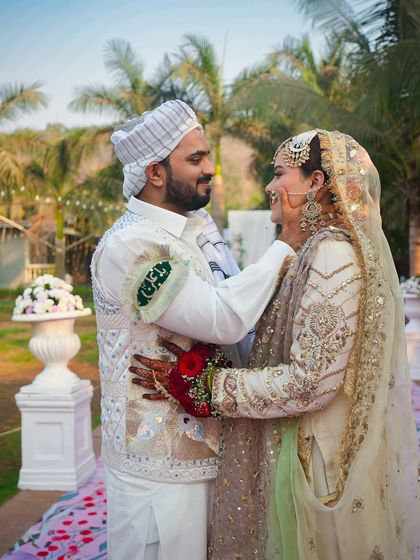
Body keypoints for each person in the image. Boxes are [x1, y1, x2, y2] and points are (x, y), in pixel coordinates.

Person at [136, 129, 420, 559]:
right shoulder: (309, 250)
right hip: (298, 452)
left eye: (280, 173)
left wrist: (210, 388)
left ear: (316, 183)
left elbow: (310, 382)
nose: (270, 187)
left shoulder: (331, 254)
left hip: (313, 471)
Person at [90, 99, 316, 560]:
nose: (210, 168)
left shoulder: (194, 229)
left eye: (208, 155)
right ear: (154, 172)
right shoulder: (129, 245)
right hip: (156, 465)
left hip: (215, 448)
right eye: (195, 159)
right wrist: (286, 244)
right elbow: (221, 319)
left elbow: (239, 309)